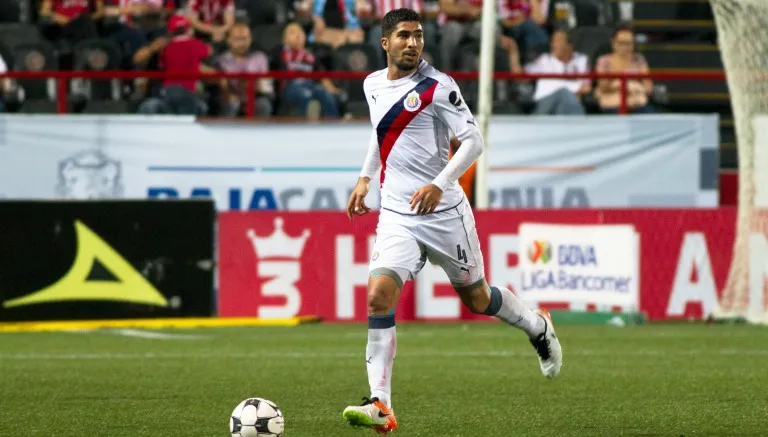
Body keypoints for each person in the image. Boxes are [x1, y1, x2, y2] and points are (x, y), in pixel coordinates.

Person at [341, 8, 563, 434]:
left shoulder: (438, 87)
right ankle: (380, 404)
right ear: (385, 43)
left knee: (477, 300)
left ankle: (538, 325)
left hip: (444, 214)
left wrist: (441, 184)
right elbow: (380, 132)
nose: (412, 43)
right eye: (404, 35)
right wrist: (364, 178)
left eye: (419, 36)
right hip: (397, 215)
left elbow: (474, 141)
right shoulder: (372, 85)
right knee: (378, 296)